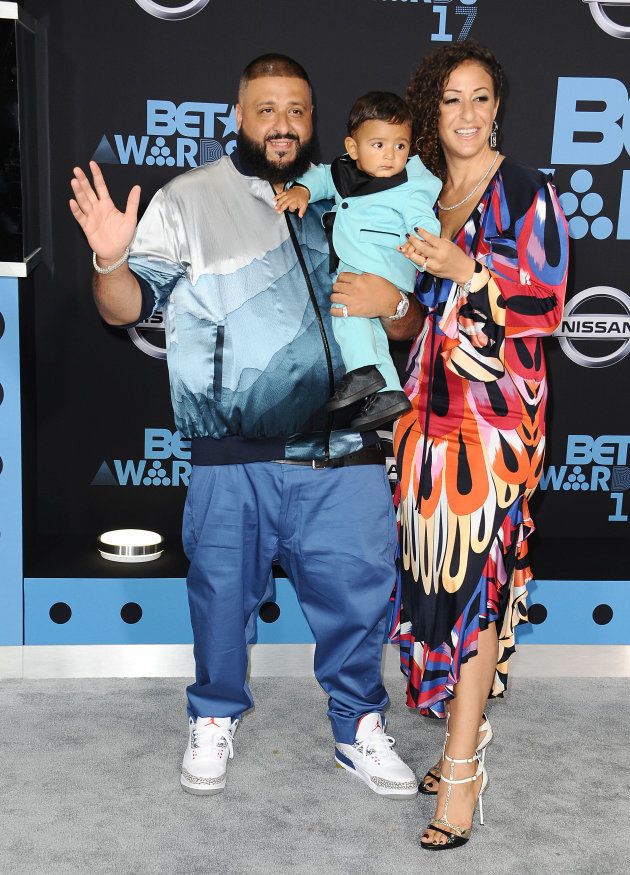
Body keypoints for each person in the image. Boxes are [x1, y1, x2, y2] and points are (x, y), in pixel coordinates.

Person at [68, 54, 418, 800]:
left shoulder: (353, 195)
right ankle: (214, 715)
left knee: (362, 593)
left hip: (345, 449)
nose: (282, 124)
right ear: (238, 115)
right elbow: (124, 308)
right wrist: (108, 256)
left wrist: (394, 304)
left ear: (314, 120)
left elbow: (408, 317)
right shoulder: (190, 199)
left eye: (296, 110)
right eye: (266, 109)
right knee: (221, 595)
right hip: (234, 453)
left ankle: (358, 724)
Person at [325, 41, 569, 848]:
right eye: (450, 100)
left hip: (495, 418)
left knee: (479, 582)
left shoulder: (528, 189)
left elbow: (546, 305)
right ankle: (464, 732)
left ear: (498, 106)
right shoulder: (424, 194)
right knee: (433, 577)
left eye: (480, 98)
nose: (466, 114)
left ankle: (461, 771)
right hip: (423, 410)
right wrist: (393, 293)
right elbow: (413, 312)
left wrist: (472, 273)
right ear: (433, 110)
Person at [275, 91, 441, 431]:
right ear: (353, 148)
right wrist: (303, 191)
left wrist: (424, 240)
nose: (390, 156)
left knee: (344, 311)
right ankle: (390, 393)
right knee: (367, 325)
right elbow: (321, 177)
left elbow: (423, 218)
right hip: (361, 261)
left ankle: (362, 371)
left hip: (382, 265)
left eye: (400, 146)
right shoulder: (343, 172)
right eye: (378, 145)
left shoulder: (411, 183)